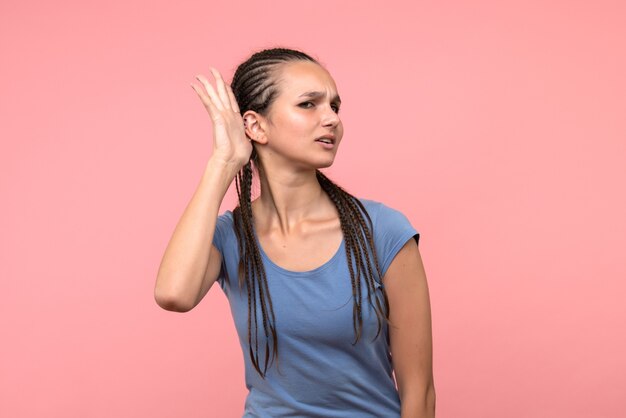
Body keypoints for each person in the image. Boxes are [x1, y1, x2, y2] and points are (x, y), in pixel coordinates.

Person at [155, 47, 436, 417]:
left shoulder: (382, 231)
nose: (331, 119)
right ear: (255, 126)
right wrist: (223, 162)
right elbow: (175, 294)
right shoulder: (231, 237)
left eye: (334, 107)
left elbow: (420, 390)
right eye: (309, 105)